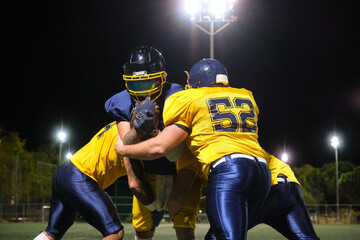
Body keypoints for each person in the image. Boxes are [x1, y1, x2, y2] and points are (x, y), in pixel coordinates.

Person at [114, 58, 272, 240]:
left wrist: (123, 150)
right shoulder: (246, 96)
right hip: (261, 173)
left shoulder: (190, 98)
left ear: (197, 83)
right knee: (216, 236)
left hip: (229, 170)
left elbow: (160, 146)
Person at [105, 46, 203, 240]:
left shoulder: (178, 97)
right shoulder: (123, 102)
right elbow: (127, 145)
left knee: (184, 227)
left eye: (150, 82)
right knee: (143, 230)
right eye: (136, 85)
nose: (144, 91)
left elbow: (174, 149)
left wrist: (155, 131)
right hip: (148, 172)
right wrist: (138, 127)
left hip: (180, 170)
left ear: (162, 78)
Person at [34, 122, 126, 240]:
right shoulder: (130, 131)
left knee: (52, 232)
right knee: (115, 232)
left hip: (65, 170)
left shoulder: (118, 122)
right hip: (80, 176)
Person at [205, 153, 320, 240]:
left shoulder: (219, 155)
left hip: (269, 190)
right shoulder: (246, 146)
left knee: (216, 235)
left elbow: (228, 195)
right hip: (290, 185)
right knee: (307, 238)